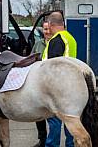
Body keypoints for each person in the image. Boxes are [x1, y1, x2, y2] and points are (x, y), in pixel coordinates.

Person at [42, 10, 78, 147]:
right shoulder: (70, 38)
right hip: (70, 86)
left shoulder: (56, 40)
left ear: (50, 24)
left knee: (54, 121)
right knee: (70, 122)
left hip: (57, 89)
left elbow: (51, 67)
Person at [30, 18, 52, 147]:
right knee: (39, 113)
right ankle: (42, 139)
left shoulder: (56, 43)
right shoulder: (38, 44)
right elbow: (31, 57)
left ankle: (53, 142)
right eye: (45, 29)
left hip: (51, 82)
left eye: (49, 29)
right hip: (38, 81)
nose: (47, 31)